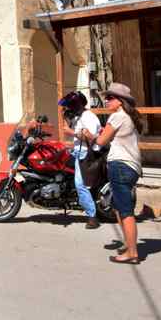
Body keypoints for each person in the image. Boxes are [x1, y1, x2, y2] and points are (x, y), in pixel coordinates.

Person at [93, 83, 142, 265]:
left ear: (120, 102)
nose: (106, 101)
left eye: (110, 98)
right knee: (116, 206)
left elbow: (100, 140)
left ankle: (132, 252)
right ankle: (129, 244)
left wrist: (88, 135)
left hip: (120, 165)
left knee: (125, 210)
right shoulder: (128, 117)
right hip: (130, 166)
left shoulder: (116, 117)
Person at [59, 91, 102, 229]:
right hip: (78, 153)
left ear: (75, 105)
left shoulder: (88, 117)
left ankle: (92, 217)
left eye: (69, 107)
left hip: (86, 155)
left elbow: (90, 137)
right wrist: (65, 118)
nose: (67, 110)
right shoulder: (80, 117)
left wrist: (71, 132)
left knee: (80, 185)